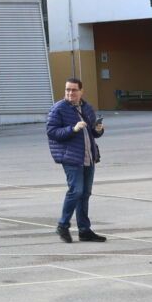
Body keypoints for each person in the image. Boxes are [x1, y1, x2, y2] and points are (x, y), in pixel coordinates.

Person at [46, 77, 107, 245]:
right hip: (71, 157)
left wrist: (98, 130)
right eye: (67, 90)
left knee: (85, 194)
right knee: (76, 191)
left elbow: (93, 134)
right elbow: (52, 132)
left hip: (88, 157)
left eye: (73, 90)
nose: (70, 93)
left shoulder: (86, 108)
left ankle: (84, 230)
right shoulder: (58, 109)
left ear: (81, 91)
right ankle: (62, 225)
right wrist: (72, 129)